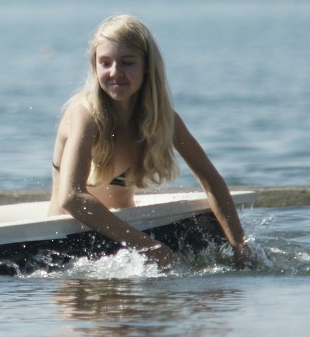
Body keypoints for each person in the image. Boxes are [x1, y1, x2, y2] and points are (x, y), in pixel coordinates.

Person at [47, 14, 249, 268]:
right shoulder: (85, 114)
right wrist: (150, 248)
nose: (115, 72)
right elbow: (71, 198)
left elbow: (212, 181)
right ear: (94, 66)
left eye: (127, 63)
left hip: (129, 238)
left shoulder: (162, 118)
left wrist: (240, 245)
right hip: (68, 243)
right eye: (105, 63)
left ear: (146, 66)